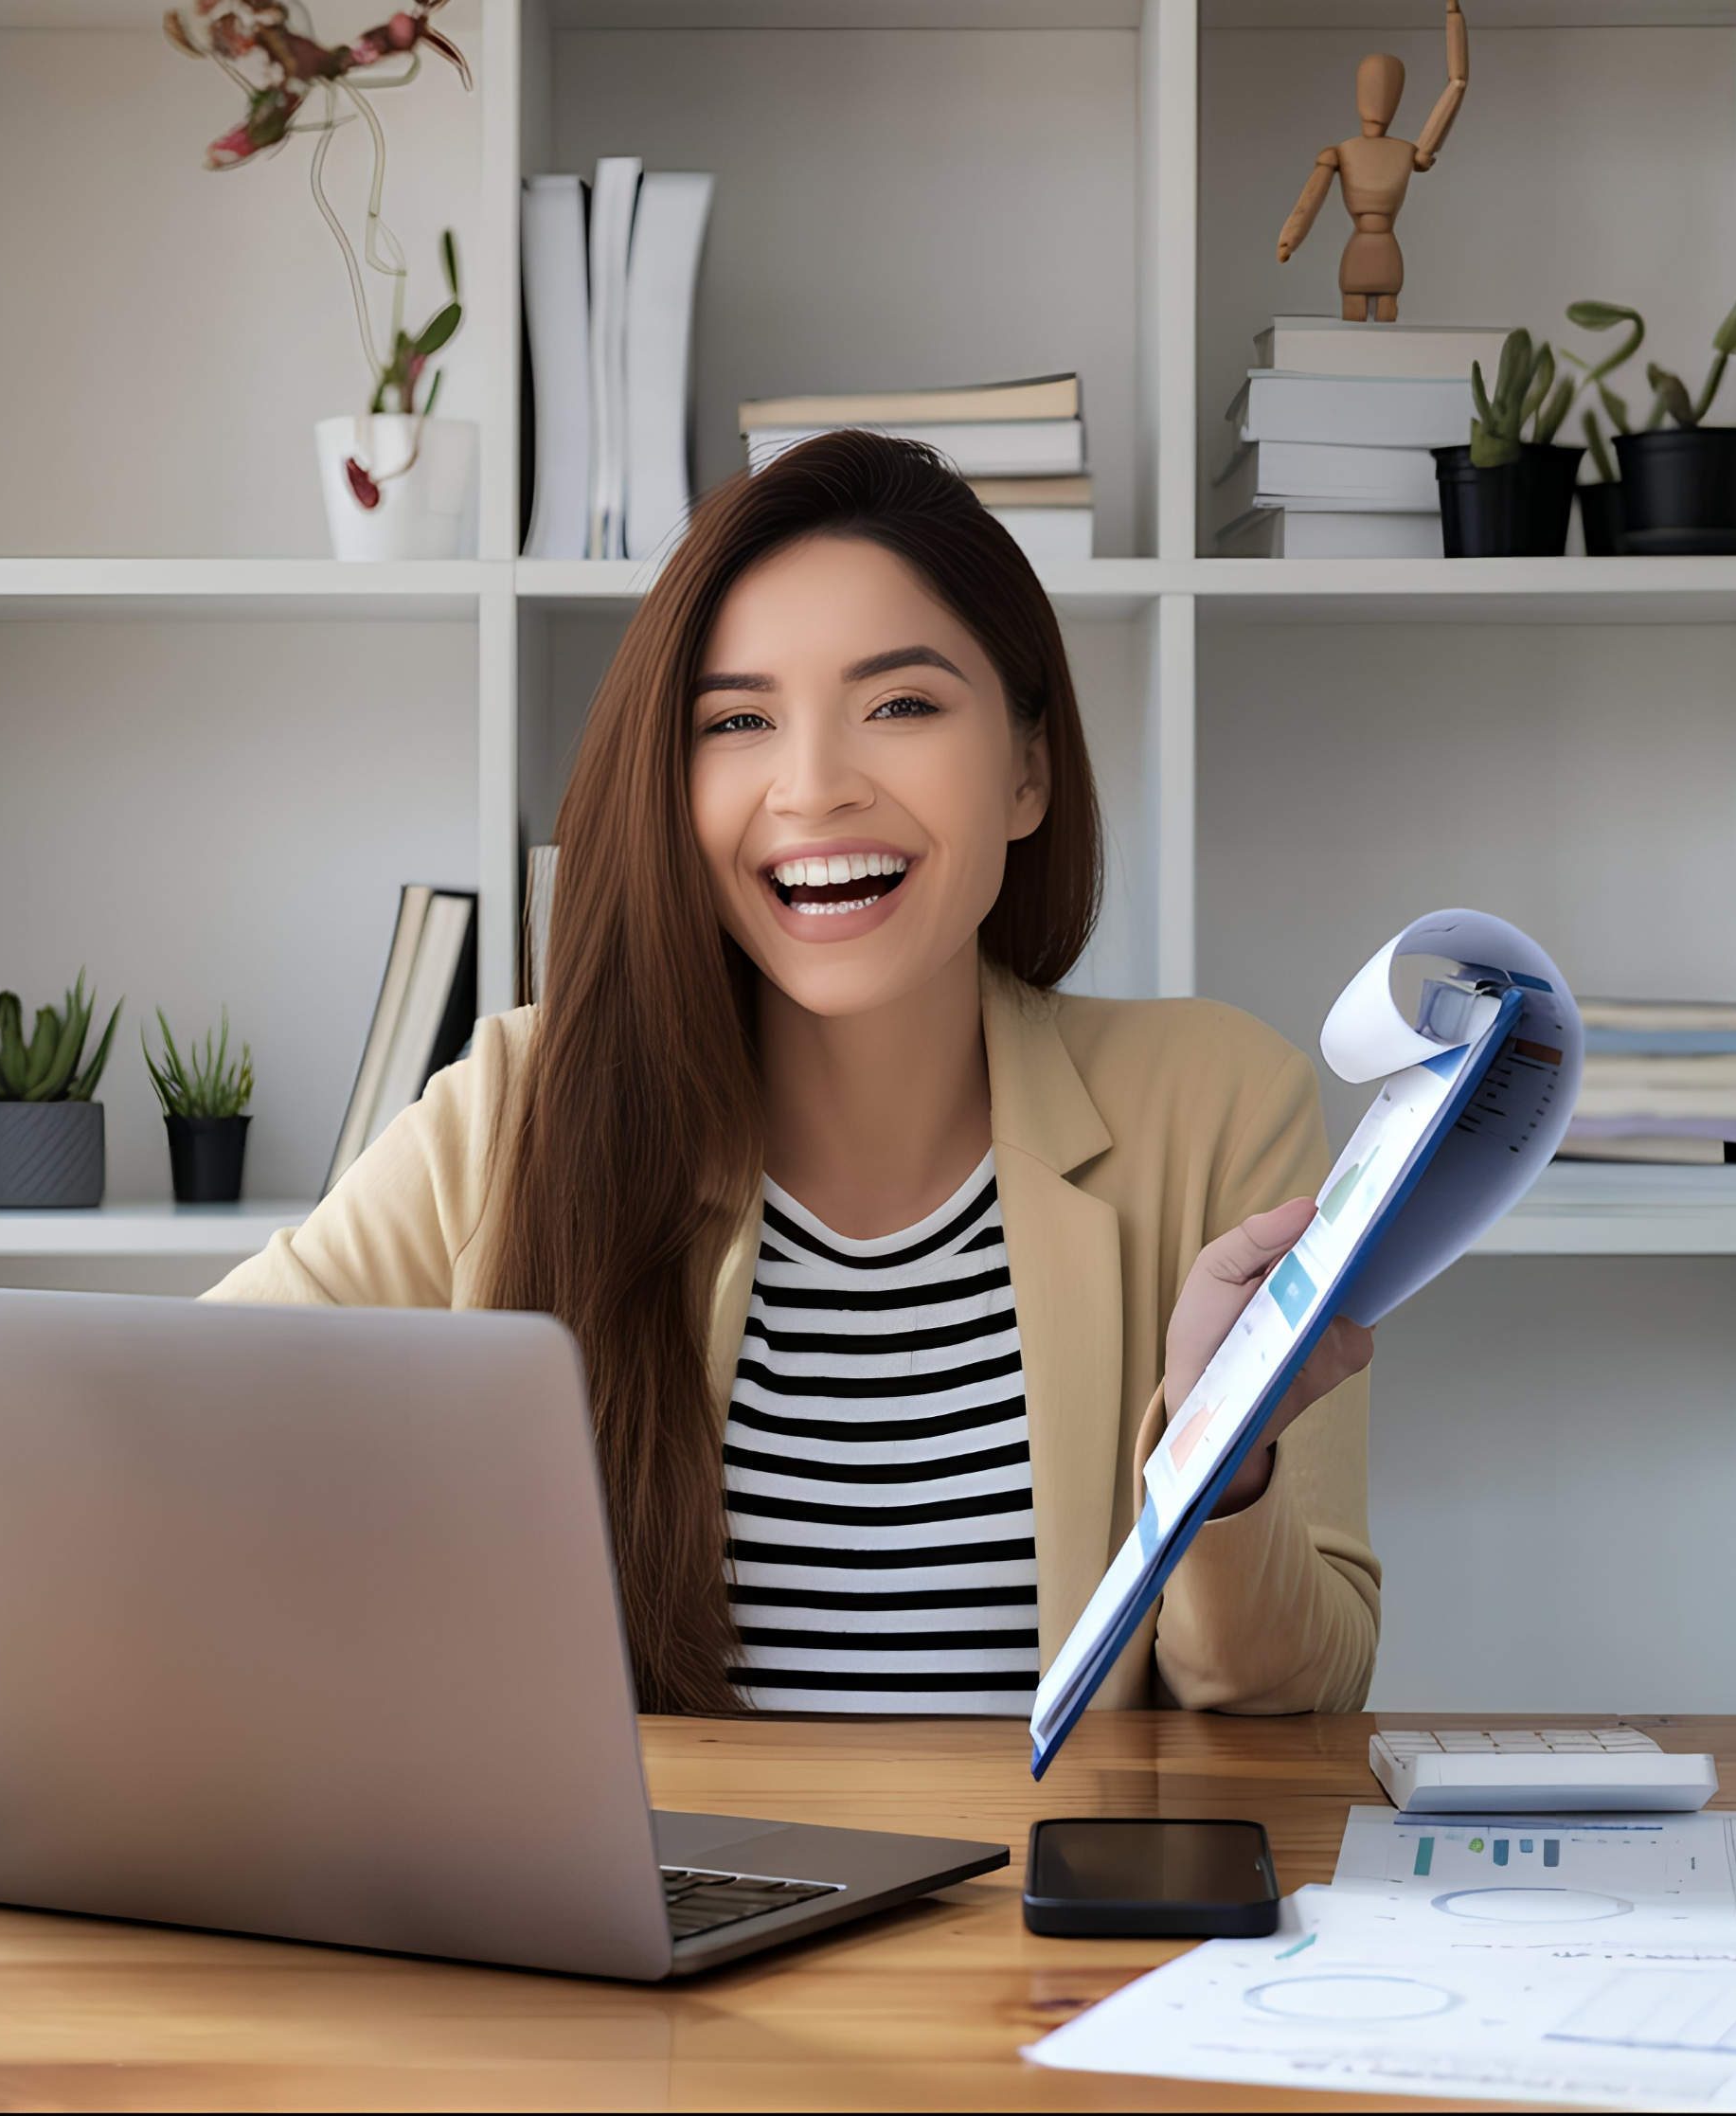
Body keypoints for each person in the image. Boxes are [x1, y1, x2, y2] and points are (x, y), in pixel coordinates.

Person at [208, 431, 1378, 1717]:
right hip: (658, 1917)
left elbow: (1298, 1694)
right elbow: (171, 1427)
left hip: (1037, 1920)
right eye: (739, 720)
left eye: (901, 704)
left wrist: (1229, 1448)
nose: (813, 787)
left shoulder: (1219, 1107)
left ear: (1028, 772)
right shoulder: (519, 1103)